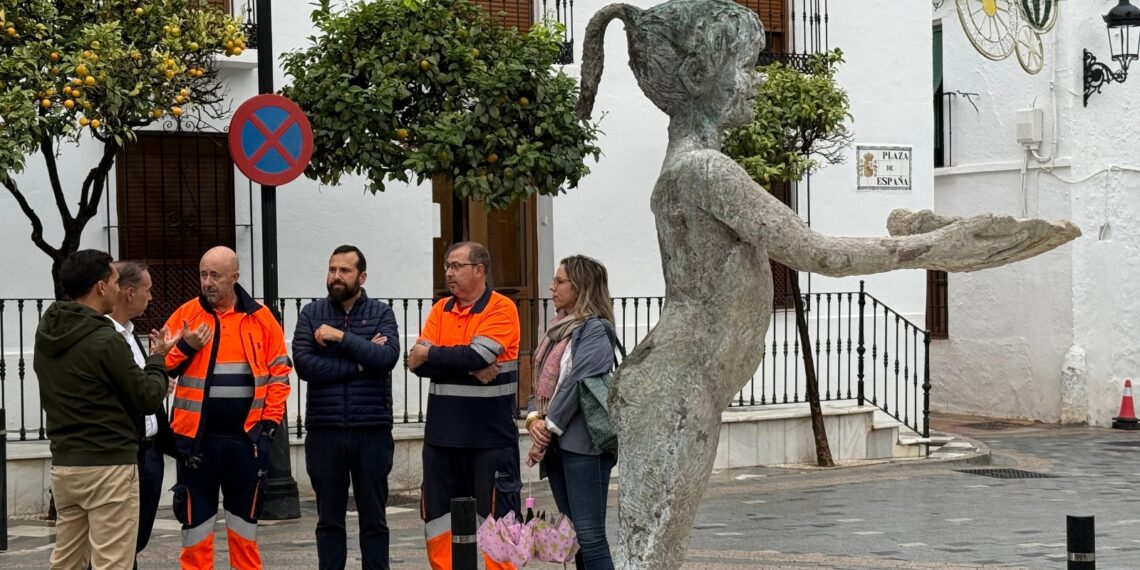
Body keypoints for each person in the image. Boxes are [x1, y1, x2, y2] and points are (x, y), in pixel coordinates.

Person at [574, 1, 1079, 567]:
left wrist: (926, 242)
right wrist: (933, 249)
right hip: (675, 390)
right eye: (746, 66)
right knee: (652, 556)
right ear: (697, 78)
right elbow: (819, 253)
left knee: (654, 553)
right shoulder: (706, 172)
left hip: (676, 384)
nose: (757, 81)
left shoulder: (689, 169)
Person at [34, 249, 174, 569]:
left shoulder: (47, 334)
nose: (116, 286)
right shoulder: (105, 339)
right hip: (109, 465)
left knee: (67, 561)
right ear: (100, 287)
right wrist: (157, 360)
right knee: (112, 562)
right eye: (113, 280)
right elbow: (148, 397)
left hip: (66, 465)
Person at [163, 246, 292, 570]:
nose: (207, 282)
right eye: (203, 274)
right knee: (195, 529)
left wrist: (269, 425)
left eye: (215, 276)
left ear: (235, 277)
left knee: (245, 529)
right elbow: (160, 366)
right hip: (197, 443)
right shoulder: (186, 315)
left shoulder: (261, 319)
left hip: (245, 441)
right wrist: (184, 346)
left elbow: (279, 374)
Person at [408, 241, 521, 570]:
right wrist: (466, 363)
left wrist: (435, 353)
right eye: (447, 266)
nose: (448, 272)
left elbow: (477, 354)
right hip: (442, 439)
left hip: (490, 440)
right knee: (439, 524)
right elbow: (418, 365)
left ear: (479, 270)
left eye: (456, 266)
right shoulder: (440, 309)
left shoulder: (501, 308)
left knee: (498, 525)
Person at [292, 245, 401, 570]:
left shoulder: (382, 313)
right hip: (325, 432)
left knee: (374, 521)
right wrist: (359, 361)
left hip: (372, 432)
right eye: (332, 269)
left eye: (345, 270)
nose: (336, 276)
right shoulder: (311, 314)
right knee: (328, 521)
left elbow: (386, 359)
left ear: (361, 276)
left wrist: (340, 338)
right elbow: (305, 365)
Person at [525, 256, 619, 570]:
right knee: (574, 535)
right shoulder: (557, 329)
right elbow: (538, 382)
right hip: (557, 446)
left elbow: (578, 380)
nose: (552, 286)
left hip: (584, 446)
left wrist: (548, 426)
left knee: (590, 537)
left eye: (560, 281)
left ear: (581, 287)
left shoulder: (596, 329)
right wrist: (533, 419)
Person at [106, 261, 177, 569]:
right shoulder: (106, 338)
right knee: (118, 543)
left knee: (137, 538)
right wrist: (157, 366)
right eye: (147, 290)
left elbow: (143, 388)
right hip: (126, 453)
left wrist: (159, 380)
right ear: (130, 292)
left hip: (150, 452)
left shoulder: (133, 334)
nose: (151, 297)